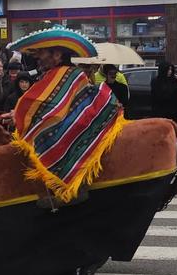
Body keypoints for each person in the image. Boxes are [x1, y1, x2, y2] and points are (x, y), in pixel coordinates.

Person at [7, 27, 125, 208]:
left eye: (42, 52)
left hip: (80, 117)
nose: (37, 56)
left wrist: (23, 111)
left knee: (60, 131)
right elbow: (44, 103)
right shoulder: (56, 73)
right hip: (72, 115)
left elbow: (42, 102)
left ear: (57, 55)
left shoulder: (67, 73)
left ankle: (72, 186)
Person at [151, 62, 177, 126]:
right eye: (168, 70)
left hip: (173, 111)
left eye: (171, 70)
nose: (170, 72)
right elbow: (157, 95)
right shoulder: (156, 81)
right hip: (161, 110)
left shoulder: (173, 80)